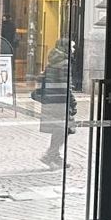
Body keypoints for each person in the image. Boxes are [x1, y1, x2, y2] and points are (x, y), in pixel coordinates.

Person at [35, 39, 77, 167]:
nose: (74, 49)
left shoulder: (53, 61)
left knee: (59, 129)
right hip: (60, 101)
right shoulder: (64, 63)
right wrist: (72, 102)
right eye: (72, 47)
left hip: (51, 100)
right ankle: (51, 155)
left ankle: (54, 155)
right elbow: (66, 86)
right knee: (63, 128)